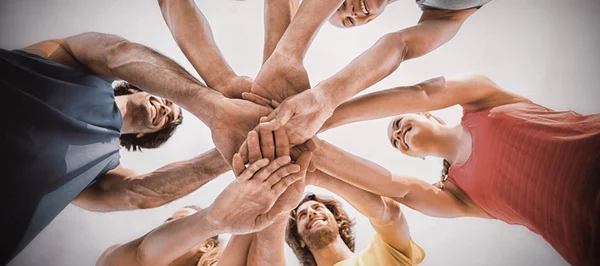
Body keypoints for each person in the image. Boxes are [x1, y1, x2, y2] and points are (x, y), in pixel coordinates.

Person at [1, 29, 273, 263]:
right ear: (135, 88)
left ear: (144, 136)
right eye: (168, 101)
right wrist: (213, 107)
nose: (168, 110)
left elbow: (140, 193)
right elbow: (119, 54)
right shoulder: (69, 59)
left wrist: (239, 149)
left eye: (169, 120)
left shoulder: (99, 168)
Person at [293, 74, 599, 265]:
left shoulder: (483, 100)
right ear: (416, 158)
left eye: (398, 124)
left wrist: (323, 116)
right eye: (397, 143)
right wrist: (312, 150)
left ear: (428, 115)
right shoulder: (456, 195)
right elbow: (394, 188)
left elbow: (421, 92)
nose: (399, 135)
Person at [245, 0, 491, 145]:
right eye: (349, 21)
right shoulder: (443, 13)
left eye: (340, 4)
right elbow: (398, 45)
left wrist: (285, 56)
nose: (349, 11)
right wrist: (325, 102)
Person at [96, 126, 312, 266]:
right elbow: (137, 256)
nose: (168, 229)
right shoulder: (117, 255)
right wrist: (211, 221)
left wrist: (278, 210)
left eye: (178, 221)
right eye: (169, 223)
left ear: (207, 246)